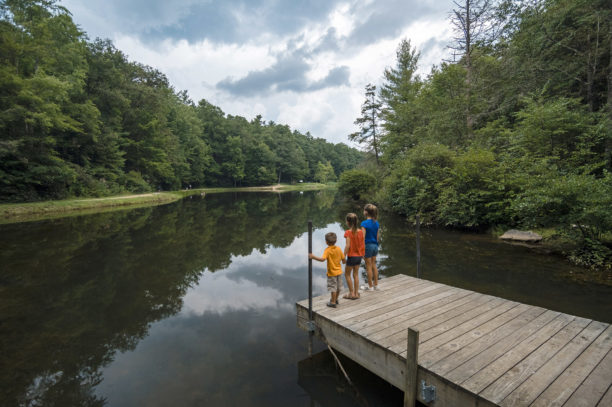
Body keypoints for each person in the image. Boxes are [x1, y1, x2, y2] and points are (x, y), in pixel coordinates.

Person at [309, 232, 346, 308]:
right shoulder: (339, 248)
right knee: (338, 287)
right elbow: (343, 259)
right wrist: (344, 261)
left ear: (326, 242)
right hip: (339, 272)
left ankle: (332, 302)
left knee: (333, 288)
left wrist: (313, 257)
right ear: (336, 241)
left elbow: (323, 259)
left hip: (332, 273)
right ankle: (335, 299)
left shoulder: (327, 250)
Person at [343, 213, 365, 300]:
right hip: (359, 257)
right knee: (355, 274)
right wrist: (362, 254)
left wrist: (343, 256)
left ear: (348, 222)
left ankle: (351, 293)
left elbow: (347, 246)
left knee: (347, 274)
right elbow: (362, 245)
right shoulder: (360, 232)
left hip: (352, 257)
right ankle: (356, 293)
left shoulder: (348, 232)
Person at [361, 203, 380, 291]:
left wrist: (361, 249)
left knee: (368, 266)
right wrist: (376, 245)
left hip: (367, 246)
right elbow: (377, 237)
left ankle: (370, 287)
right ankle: (376, 285)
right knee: (374, 265)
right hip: (375, 245)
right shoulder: (376, 223)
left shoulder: (364, 223)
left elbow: (363, 237)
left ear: (366, 212)